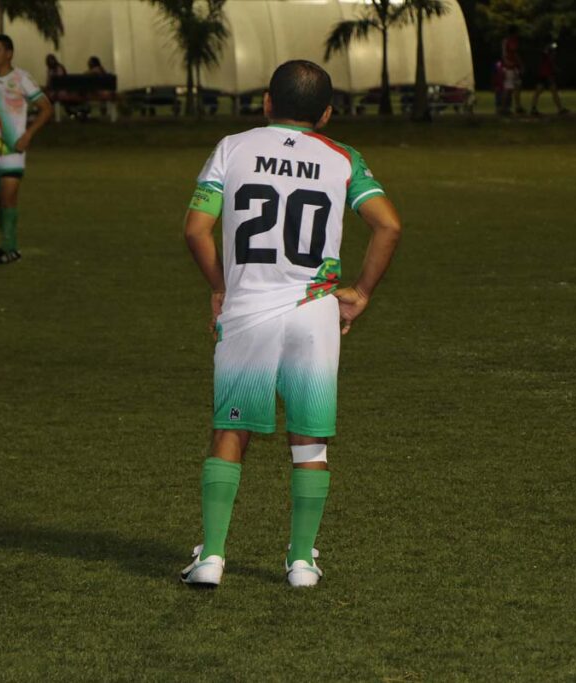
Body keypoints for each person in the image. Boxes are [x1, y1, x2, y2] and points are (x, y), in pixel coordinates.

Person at [180, 60, 402, 588]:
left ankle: (212, 556)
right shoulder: (343, 157)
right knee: (310, 443)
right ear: (326, 113)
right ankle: (301, 562)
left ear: (266, 102)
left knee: (230, 430)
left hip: (248, 310)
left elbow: (195, 230)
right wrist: (362, 293)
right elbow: (388, 225)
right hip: (314, 309)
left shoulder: (232, 147)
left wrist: (221, 285)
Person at [0, 34, 52, 264]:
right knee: (1, 202)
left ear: (9, 53)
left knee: (7, 197)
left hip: (14, 150)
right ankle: (9, 245)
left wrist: (28, 134)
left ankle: (8, 249)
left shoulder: (21, 78)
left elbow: (46, 108)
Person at [530, 43, 569, 116]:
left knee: (547, 92)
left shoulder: (549, 57)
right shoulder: (546, 55)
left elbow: (552, 65)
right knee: (547, 92)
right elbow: (544, 53)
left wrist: (556, 70)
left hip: (545, 75)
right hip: (545, 76)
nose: (555, 52)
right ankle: (560, 109)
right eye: (553, 50)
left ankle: (533, 108)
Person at [501, 26, 524, 114]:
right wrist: (519, 64)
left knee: (516, 87)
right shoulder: (510, 41)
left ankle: (516, 106)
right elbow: (513, 53)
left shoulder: (506, 41)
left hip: (511, 66)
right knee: (509, 88)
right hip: (511, 67)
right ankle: (504, 107)